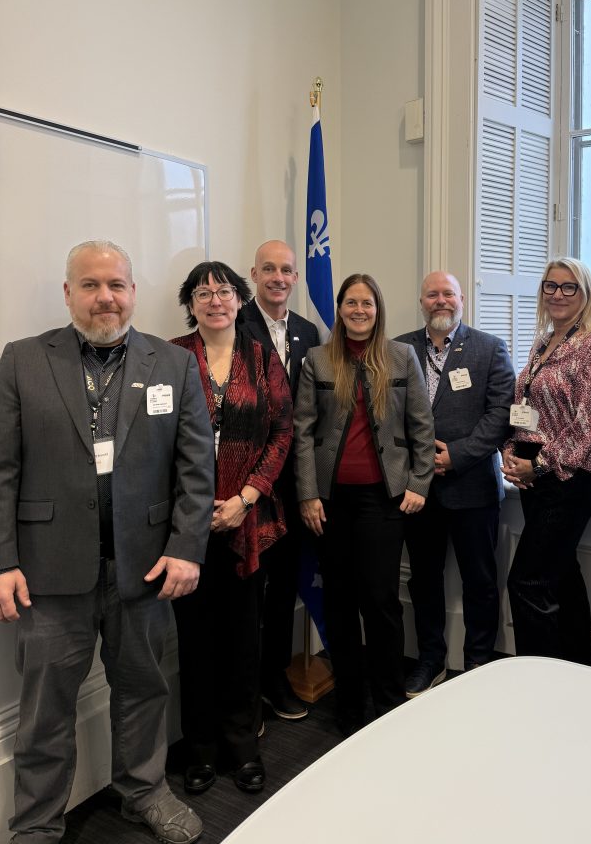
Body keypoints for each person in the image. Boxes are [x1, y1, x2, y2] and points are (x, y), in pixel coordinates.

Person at [0, 240, 215, 844]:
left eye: (116, 284)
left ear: (133, 292)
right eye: (90, 285)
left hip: (145, 569)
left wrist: (187, 546)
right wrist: (2, 561)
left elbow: (196, 470)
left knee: (145, 689)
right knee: (45, 712)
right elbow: (1, 470)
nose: (105, 298)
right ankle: (37, 822)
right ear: (68, 292)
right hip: (49, 572)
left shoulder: (172, 365)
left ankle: (143, 790)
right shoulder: (20, 360)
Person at [171, 261, 293, 795]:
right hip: (186, 525)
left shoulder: (262, 357)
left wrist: (246, 499)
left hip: (247, 520)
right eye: (203, 293)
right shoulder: (170, 357)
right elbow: (155, 440)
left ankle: (243, 746)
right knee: (195, 640)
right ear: (191, 304)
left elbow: (283, 432)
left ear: (240, 300)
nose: (215, 300)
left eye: (223, 291)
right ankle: (199, 748)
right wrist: (197, 506)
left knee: (245, 638)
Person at [294, 273, 434, 734]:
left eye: (367, 304)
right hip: (331, 503)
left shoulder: (401, 356)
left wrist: (419, 481)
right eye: (351, 303)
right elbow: (303, 431)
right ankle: (350, 706)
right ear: (339, 309)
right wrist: (309, 493)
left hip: (383, 500)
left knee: (380, 602)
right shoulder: (317, 359)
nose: (359, 311)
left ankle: (390, 702)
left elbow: (421, 426)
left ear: (378, 310)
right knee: (338, 603)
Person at [396, 271, 516, 697]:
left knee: (480, 580)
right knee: (423, 579)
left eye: (448, 293)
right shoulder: (399, 348)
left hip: (473, 488)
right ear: (422, 301)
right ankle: (429, 660)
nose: (440, 301)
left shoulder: (489, 348)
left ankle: (478, 663)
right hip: (417, 490)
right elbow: (387, 415)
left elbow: (500, 414)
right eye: (432, 294)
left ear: (462, 299)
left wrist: (458, 454)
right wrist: (422, 461)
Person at [501, 258, 591, 665]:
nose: (558, 294)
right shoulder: (542, 342)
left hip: (571, 478)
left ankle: (539, 685)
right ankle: (578, 674)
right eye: (551, 286)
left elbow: (589, 425)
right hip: (536, 475)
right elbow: (526, 410)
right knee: (562, 578)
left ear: (585, 294)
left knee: (527, 582)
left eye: (569, 287)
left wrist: (540, 463)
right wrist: (512, 453)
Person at [240, 239, 320, 721]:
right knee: (250, 595)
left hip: (294, 486)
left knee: (286, 588)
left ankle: (275, 680)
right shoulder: (235, 324)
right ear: (254, 274)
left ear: (295, 278)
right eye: (268, 269)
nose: (278, 277)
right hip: (249, 485)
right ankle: (246, 695)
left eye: (286, 270)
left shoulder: (309, 332)